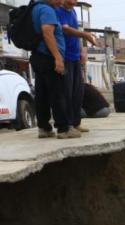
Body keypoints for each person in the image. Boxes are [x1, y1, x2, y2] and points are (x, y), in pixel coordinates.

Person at [31, 0, 76, 139]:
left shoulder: (35, 8)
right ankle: (63, 129)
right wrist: (57, 57)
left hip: (38, 56)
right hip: (49, 57)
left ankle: (44, 128)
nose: (61, 2)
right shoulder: (47, 10)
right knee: (58, 93)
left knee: (42, 94)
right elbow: (47, 33)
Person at [57, 0, 96, 133]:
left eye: (74, 2)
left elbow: (76, 33)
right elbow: (66, 30)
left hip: (75, 57)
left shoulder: (73, 11)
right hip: (65, 56)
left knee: (78, 92)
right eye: (69, 2)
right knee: (66, 92)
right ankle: (67, 125)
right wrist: (85, 35)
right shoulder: (58, 11)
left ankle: (76, 122)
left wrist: (81, 51)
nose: (72, 4)